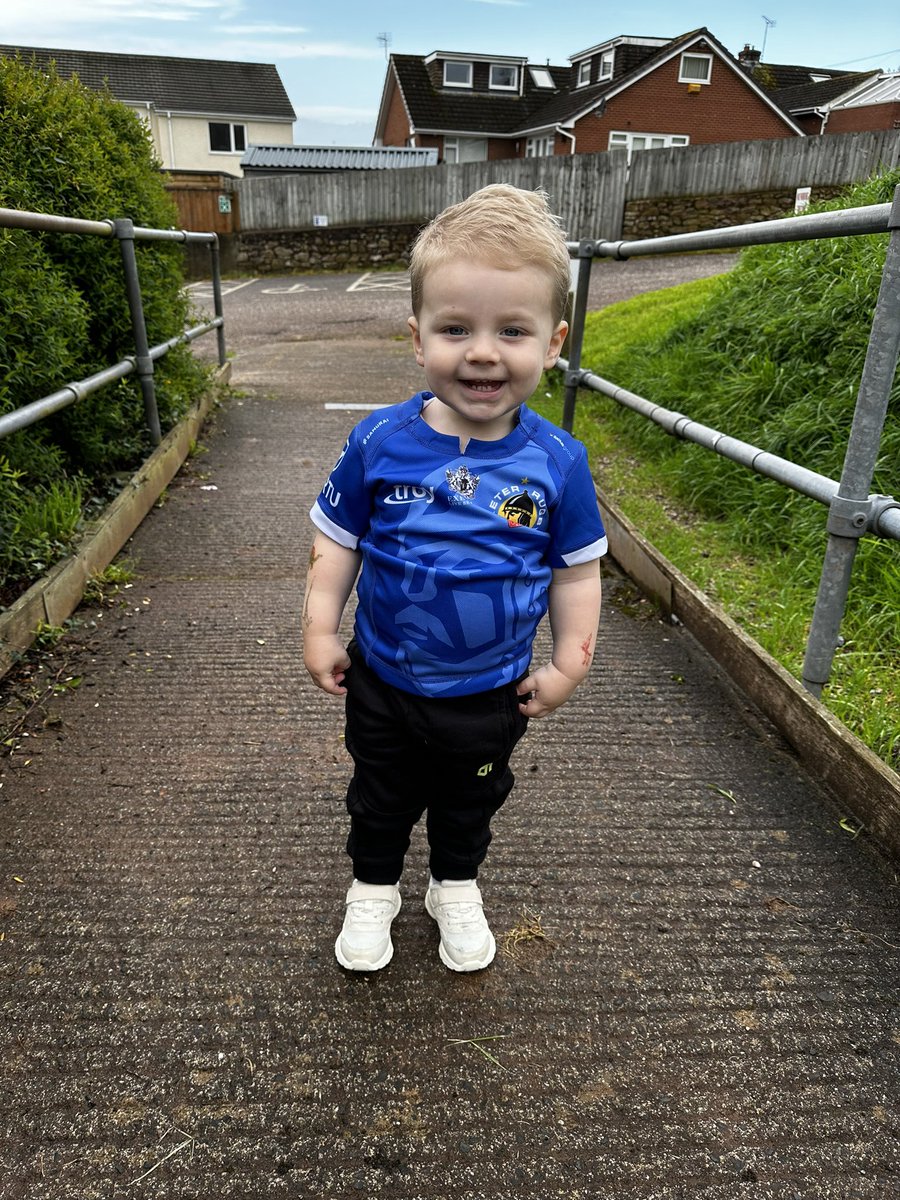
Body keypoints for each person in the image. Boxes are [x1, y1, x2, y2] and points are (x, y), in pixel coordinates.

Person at [303, 183, 607, 973]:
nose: (481, 352)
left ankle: (454, 882)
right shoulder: (378, 442)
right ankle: (373, 888)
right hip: (384, 677)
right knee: (379, 794)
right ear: (417, 337)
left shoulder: (558, 463)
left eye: (512, 330)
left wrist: (571, 661)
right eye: (454, 328)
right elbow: (335, 545)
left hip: (489, 688)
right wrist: (319, 629)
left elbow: (576, 574)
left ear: (553, 342)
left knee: (470, 800)